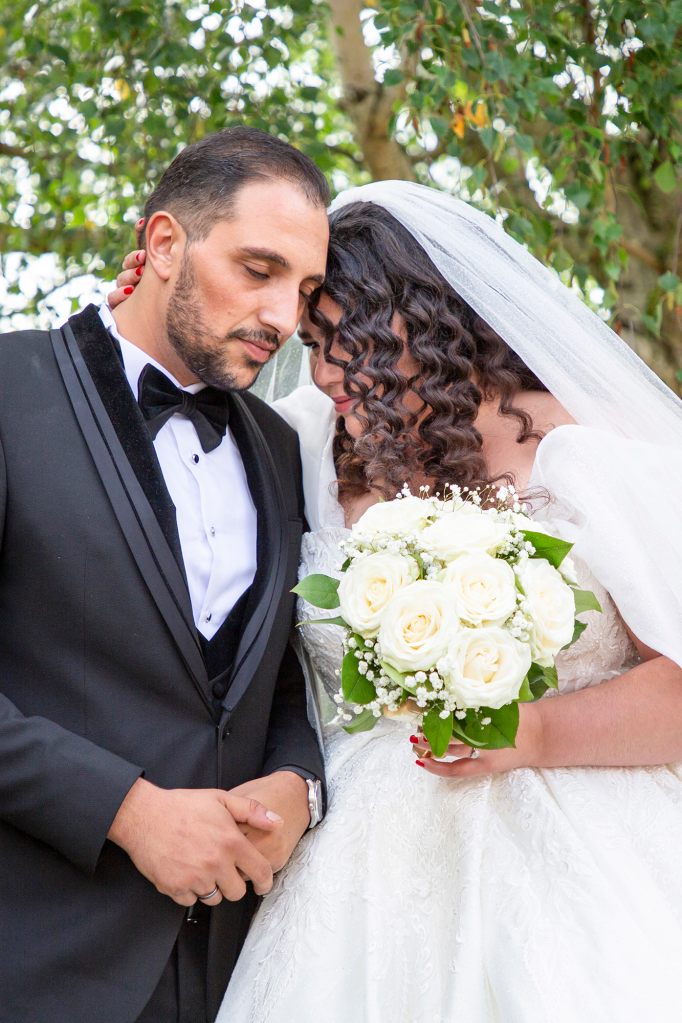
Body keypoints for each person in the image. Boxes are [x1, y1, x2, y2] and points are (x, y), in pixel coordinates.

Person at [113, 182, 682, 1022]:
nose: (327, 369)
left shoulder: (584, 450)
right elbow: (170, 430)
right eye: (312, 340)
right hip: (361, 863)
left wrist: (535, 731)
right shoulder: (311, 440)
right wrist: (153, 301)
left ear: (431, 317)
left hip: (580, 844)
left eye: (350, 338)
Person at [0, 126, 330, 1023]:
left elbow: (287, 675)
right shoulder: (9, 388)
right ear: (163, 245)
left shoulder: (282, 447)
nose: (282, 316)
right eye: (258, 269)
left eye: (304, 289)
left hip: (244, 971)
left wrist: (300, 786)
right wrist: (128, 811)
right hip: (38, 960)